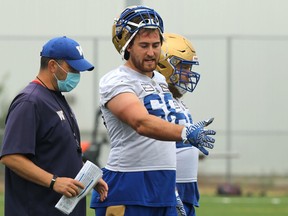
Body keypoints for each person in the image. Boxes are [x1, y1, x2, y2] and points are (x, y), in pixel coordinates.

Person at [90, 5, 216, 216]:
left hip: (162, 185)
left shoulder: (158, 79)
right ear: (128, 47)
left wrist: (171, 190)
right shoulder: (116, 80)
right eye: (144, 45)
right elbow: (141, 122)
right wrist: (185, 132)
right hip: (128, 184)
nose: (151, 52)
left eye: (156, 45)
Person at [0, 36, 108, 216]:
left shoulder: (56, 97)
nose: (77, 75)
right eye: (72, 68)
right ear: (52, 66)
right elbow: (11, 156)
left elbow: (58, 152)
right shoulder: (30, 101)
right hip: (37, 210)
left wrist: (88, 178)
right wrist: (54, 181)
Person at [157, 33, 203, 216]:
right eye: (184, 67)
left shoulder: (176, 100)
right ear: (164, 65)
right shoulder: (157, 99)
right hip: (169, 186)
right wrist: (170, 188)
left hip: (186, 186)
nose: (189, 74)